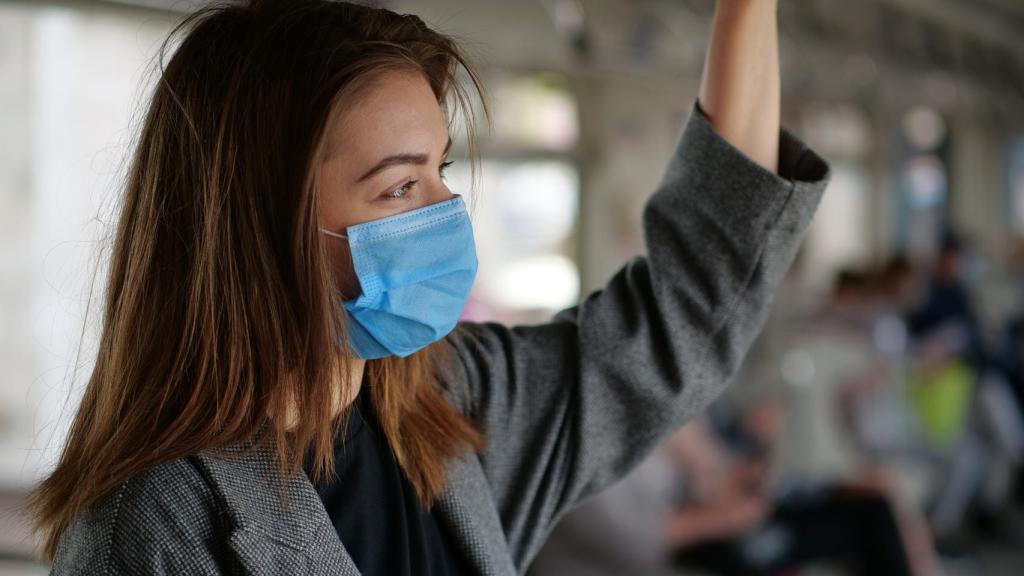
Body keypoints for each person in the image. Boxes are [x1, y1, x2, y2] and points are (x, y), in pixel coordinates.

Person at [29, 0, 829, 574]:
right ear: (257, 227)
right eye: (400, 186)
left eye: (440, 169)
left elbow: (686, 303)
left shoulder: (449, 406)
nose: (449, 211)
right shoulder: (151, 525)